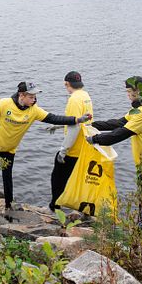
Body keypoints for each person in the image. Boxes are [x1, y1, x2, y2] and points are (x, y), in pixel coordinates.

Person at [0, 80, 92, 210]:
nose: (34, 99)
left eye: (35, 97)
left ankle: (8, 206)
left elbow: (53, 118)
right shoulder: (4, 104)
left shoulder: (34, 111)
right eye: (31, 97)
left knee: (7, 176)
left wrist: (77, 119)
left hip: (9, 149)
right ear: (21, 95)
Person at [86, 76, 142, 236]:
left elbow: (120, 134)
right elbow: (119, 123)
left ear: (136, 92)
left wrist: (94, 139)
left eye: (128, 92)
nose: (127, 95)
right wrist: (94, 125)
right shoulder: (141, 108)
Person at [49, 71, 93, 211]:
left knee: (58, 178)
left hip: (73, 149)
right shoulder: (85, 96)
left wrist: (64, 150)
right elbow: (81, 120)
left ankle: (55, 206)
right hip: (84, 146)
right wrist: (59, 126)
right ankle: (82, 208)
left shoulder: (74, 99)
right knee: (79, 180)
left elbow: (74, 127)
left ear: (67, 84)